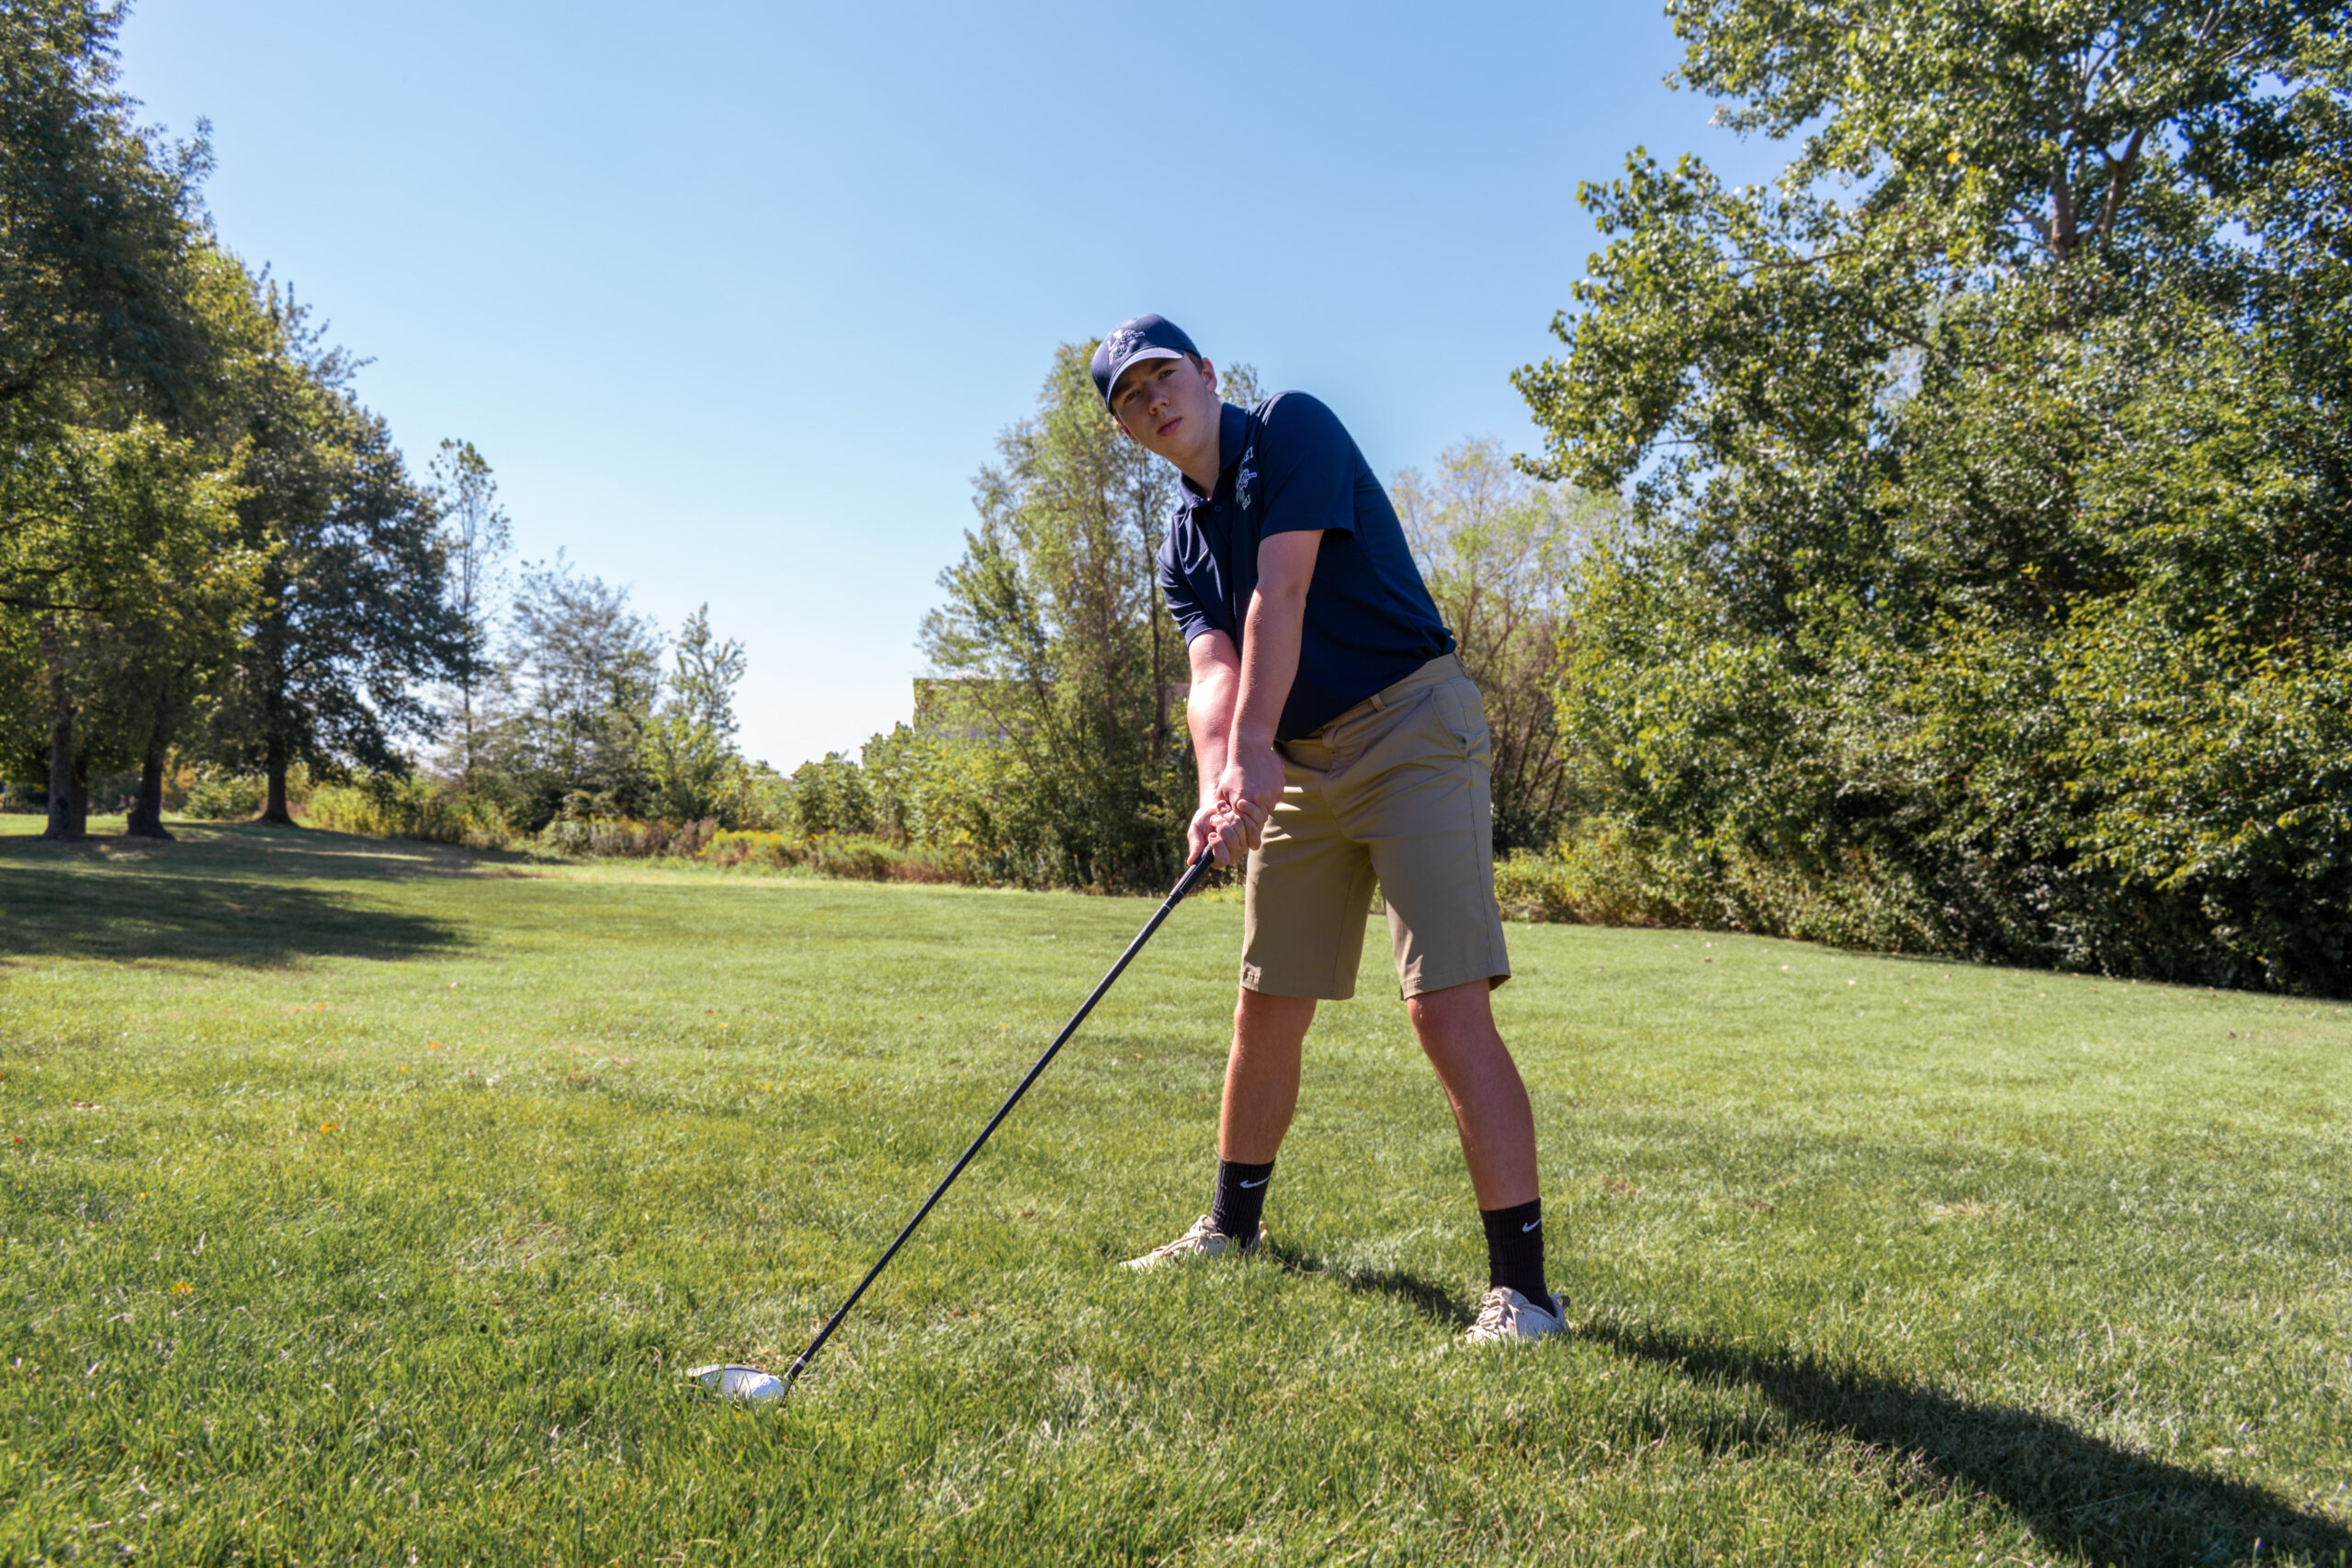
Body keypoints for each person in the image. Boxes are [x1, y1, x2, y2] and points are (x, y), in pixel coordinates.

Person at [1094, 314, 1564, 1344]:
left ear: (1209, 375)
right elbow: (1212, 673)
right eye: (1130, 397)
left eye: (1164, 377)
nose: (1154, 402)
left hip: (1410, 728)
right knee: (1266, 1006)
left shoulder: (1292, 429)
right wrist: (1219, 786)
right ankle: (1229, 1229)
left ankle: (1524, 1295)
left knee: (1443, 1007)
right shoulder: (1179, 541)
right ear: (1127, 429)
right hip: (1294, 761)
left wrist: (1252, 751)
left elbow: (1283, 590)